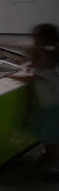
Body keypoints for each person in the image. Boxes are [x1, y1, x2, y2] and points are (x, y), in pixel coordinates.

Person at [29, 23, 59, 175]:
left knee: (51, 136)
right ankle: (50, 156)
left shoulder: (48, 57)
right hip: (48, 104)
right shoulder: (50, 53)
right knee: (48, 134)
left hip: (51, 106)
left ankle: (55, 161)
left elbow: (33, 77)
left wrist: (13, 77)